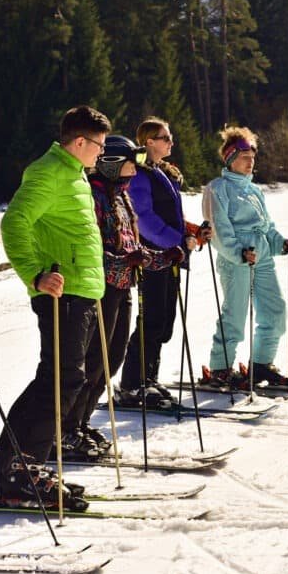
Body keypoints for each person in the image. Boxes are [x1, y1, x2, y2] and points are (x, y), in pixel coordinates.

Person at [0, 105, 109, 507]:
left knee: (64, 378)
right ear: (79, 142)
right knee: (61, 379)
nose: (101, 153)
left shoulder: (74, 175)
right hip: (62, 290)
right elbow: (14, 222)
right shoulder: (48, 172)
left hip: (83, 290)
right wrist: (36, 274)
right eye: (98, 145)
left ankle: (17, 465)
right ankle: (22, 467)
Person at [65, 136, 178, 458]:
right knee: (92, 360)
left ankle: (81, 422)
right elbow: (93, 251)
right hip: (99, 289)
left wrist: (161, 257)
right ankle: (67, 427)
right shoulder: (93, 197)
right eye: (130, 161)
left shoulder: (121, 196)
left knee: (111, 360)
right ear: (112, 163)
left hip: (122, 286)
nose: (136, 167)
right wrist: (122, 261)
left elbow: (131, 247)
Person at [200, 126, 288, 388]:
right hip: (237, 259)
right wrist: (238, 253)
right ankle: (220, 367)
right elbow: (219, 229)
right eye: (245, 157)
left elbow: (266, 226)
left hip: (261, 255)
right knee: (235, 315)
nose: (250, 162)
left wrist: (281, 244)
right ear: (230, 159)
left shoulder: (255, 191)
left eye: (252, 157)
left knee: (275, 310)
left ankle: (261, 364)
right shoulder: (217, 189)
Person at [118, 118, 205, 407]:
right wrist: (174, 241)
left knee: (164, 320)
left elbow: (169, 214)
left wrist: (189, 231)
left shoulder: (159, 172)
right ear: (149, 142)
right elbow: (143, 219)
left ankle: (147, 379)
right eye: (165, 138)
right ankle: (132, 384)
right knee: (152, 318)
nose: (171, 142)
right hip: (153, 256)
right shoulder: (141, 176)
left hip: (169, 255)